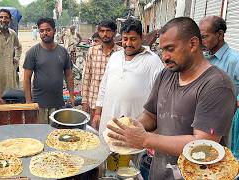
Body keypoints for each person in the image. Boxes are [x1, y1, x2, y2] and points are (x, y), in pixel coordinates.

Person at [107, 17, 236, 180]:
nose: (165, 57)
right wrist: (131, 129)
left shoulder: (217, 85)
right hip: (160, 172)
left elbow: (203, 146)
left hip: (195, 175)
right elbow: (151, 115)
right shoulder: (166, 74)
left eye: (170, 49)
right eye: (162, 50)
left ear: (193, 44)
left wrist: (145, 139)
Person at [95, 18, 164, 133]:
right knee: (105, 148)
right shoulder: (115, 57)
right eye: (125, 39)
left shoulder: (153, 61)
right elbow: (104, 86)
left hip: (133, 128)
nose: (128, 44)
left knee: (128, 150)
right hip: (108, 122)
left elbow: (161, 97)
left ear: (141, 38)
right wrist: (98, 113)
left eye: (133, 39)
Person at [199, 16, 239, 159]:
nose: (200, 41)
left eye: (204, 37)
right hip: (203, 122)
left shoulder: (235, 60)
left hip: (226, 125)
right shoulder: (203, 58)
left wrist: (233, 104)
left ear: (220, 35)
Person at [23, 17, 75, 123]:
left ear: (54, 31)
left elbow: (69, 75)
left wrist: (71, 95)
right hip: (39, 104)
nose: (45, 33)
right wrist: (28, 102)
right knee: (40, 133)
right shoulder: (32, 52)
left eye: (48, 30)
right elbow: (26, 78)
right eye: (41, 31)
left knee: (56, 134)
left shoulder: (63, 52)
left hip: (58, 103)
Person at [81, 20, 122, 126]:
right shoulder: (92, 51)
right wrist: (84, 101)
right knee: (93, 134)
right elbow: (86, 77)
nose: (105, 34)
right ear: (98, 32)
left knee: (110, 133)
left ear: (114, 32)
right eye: (102, 31)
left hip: (112, 103)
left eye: (108, 31)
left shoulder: (121, 53)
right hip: (93, 102)